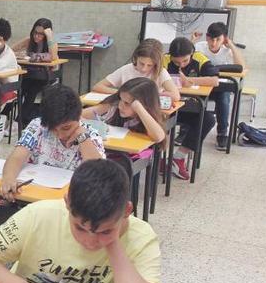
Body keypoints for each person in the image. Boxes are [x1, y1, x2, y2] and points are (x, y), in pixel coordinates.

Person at [0, 159, 162, 283]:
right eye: (80, 228)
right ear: (67, 204)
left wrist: (113, 243)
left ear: (127, 211)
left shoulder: (141, 236)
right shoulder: (39, 215)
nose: (90, 242)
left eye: (105, 231)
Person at [0, 84, 105, 203]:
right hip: (35, 196)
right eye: (53, 129)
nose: (60, 135)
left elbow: (98, 173)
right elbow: (17, 157)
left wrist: (83, 138)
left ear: (79, 116)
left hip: (68, 202)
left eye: (66, 128)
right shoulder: (38, 126)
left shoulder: (90, 135)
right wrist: (8, 178)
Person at [163, 37, 219, 180]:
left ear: (192, 54)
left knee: (208, 119)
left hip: (190, 107)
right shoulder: (164, 60)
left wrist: (191, 80)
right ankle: (159, 158)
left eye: (185, 61)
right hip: (168, 106)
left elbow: (215, 80)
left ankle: (179, 157)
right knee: (155, 119)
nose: (180, 65)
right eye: (176, 62)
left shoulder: (200, 59)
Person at [191, 22, 245, 150]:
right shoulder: (199, 47)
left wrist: (231, 45)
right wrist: (191, 41)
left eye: (218, 39)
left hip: (221, 87)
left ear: (224, 39)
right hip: (202, 85)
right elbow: (186, 60)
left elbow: (241, 67)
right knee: (190, 98)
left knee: (224, 99)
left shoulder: (227, 50)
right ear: (207, 38)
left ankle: (222, 133)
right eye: (211, 39)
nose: (214, 43)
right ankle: (185, 131)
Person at [82, 77, 166, 143]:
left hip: (134, 159)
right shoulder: (113, 105)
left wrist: (139, 109)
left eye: (127, 103)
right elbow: (80, 115)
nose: (120, 106)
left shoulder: (146, 115)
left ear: (144, 105)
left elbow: (159, 137)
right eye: (120, 99)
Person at [93, 38, 181, 101]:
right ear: (136, 57)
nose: (144, 68)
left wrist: (150, 96)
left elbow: (176, 96)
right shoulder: (126, 69)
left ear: (156, 64)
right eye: (141, 63)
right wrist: (122, 93)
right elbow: (98, 87)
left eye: (149, 65)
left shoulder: (160, 72)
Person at [11, 18, 59, 124]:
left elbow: (53, 57)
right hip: (30, 75)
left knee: (32, 90)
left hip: (45, 77)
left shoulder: (52, 43)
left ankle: (18, 122)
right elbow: (10, 50)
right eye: (35, 32)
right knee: (18, 88)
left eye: (41, 34)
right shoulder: (29, 40)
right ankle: (3, 116)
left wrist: (50, 36)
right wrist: (19, 55)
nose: (36, 36)